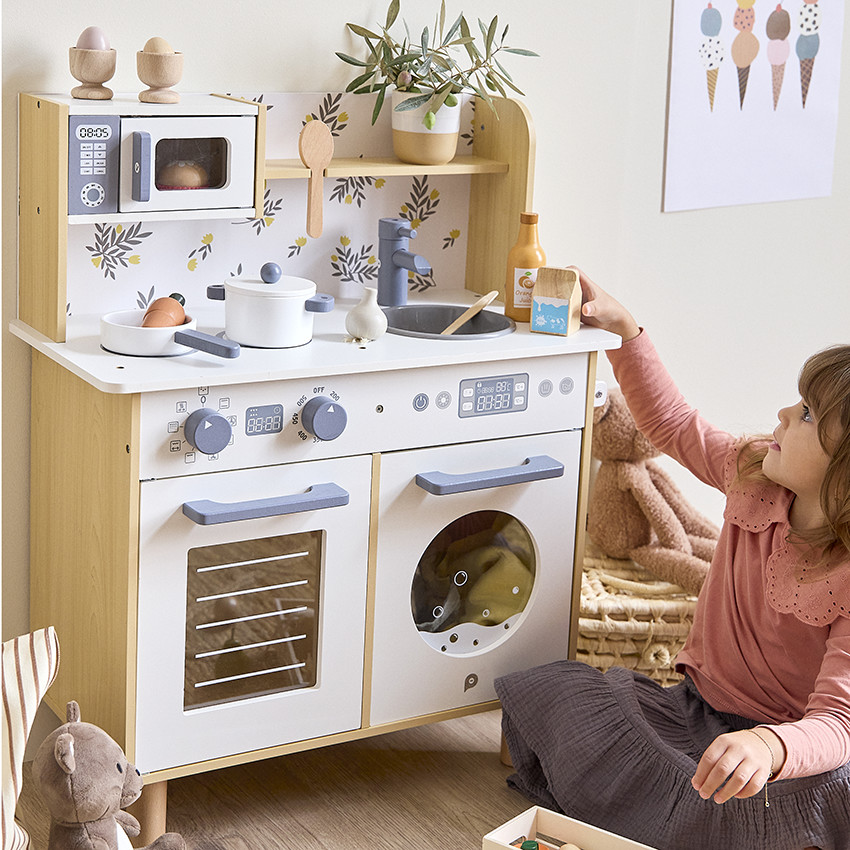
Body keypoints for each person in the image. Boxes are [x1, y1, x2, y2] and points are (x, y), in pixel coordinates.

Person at [495, 270, 850, 850]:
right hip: (695, 713)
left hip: (789, 752)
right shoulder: (754, 473)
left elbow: (838, 725)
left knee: (811, 795)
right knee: (555, 690)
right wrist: (625, 332)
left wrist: (769, 747)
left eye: (808, 415)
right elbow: (674, 424)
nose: (785, 413)